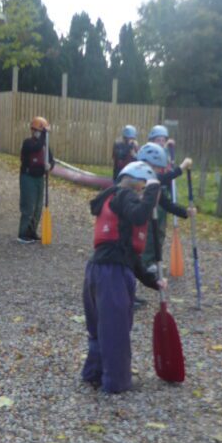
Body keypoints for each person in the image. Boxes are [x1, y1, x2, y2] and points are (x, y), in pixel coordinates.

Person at [81, 161, 165, 394]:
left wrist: (153, 281)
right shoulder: (124, 195)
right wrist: (153, 189)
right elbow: (140, 215)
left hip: (97, 270)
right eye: (143, 190)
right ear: (138, 186)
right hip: (111, 275)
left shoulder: (115, 202)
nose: (144, 197)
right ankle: (116, 382)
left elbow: (129, 256)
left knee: (100, 328)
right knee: (115, 330)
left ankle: (94, 372)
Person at [136, 141, 194, 282]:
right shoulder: (136, 177)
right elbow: (164, 178)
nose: (156, 171)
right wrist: (181, 168)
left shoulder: (153, 182)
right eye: (154, 167)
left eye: (157, 169)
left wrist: (185, 212)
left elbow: (166, 204)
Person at [18, 116, 54, 243]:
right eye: (39, 132)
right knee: (28, 206)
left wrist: (50, 166)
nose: (41, 134)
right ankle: (22, 234)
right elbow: (36, 147)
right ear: (33, 131)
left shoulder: (45, 145)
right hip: (28, 178)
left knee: (38, 208)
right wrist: (45, 133)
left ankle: (31, 232)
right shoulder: (28, 143)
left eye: (41, 132)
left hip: (39, 178)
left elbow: (51, 160)